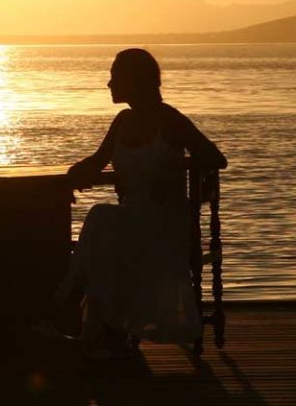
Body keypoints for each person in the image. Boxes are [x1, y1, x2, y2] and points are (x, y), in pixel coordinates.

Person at [59, 48, 226, 356]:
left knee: (100, 220)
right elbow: (97, 162)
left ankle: (72, 316)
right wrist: (71, 175)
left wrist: (183, 175)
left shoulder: (170, 121)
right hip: (133, 221)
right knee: (103, 228)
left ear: (134, 80)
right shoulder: (122, 121)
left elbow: (215, 158)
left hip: (166, 223)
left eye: (114, 77)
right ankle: (94, 333)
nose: (108, 84)